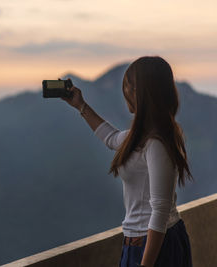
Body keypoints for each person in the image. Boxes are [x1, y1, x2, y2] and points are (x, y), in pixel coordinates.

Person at [60, 56, 193, 267]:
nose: (125, 93)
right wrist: (80, 106)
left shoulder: (156, 142)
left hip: (154, 245)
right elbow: (112, 139)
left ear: (140, 93)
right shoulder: (142, 135)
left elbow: (160, 210)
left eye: (127, 87)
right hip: (140, 242)